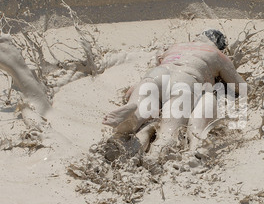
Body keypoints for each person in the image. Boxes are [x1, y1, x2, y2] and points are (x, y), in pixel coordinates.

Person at [103, 29, 247, 158]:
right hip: (185, 80)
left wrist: (133, 91)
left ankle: (129, 123)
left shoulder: (175, 47)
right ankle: (152, 158)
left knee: (142, 109)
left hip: (155, 75)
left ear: (198, 37)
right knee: (168, 133)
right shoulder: (216, 54)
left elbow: (129, 91)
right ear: (219, 46)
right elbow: (240, 87)